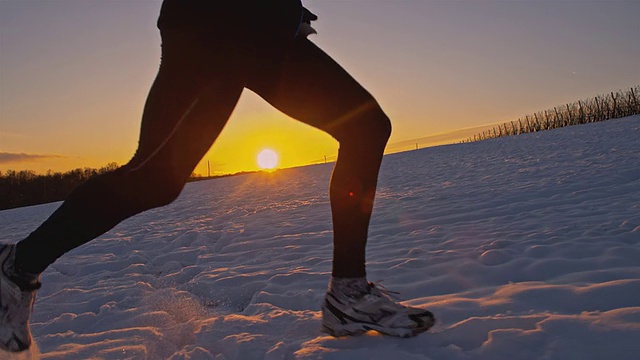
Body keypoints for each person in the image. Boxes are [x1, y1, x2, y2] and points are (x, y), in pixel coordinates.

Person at [0, 0, 434, 352]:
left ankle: (349, 295)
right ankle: (16, 267)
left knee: (156, 179)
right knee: (155, 179)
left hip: (247, 24)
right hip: (219, 22)